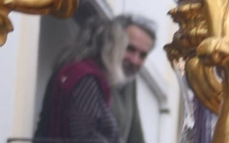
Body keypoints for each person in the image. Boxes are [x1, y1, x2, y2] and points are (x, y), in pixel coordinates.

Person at [36, 13, 157, 143]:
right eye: (129, 49)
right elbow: (85, 135)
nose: (134, 60)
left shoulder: (128, 81)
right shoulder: (85, 78)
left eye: (143, 55)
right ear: (113, 43)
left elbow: (135, 134)